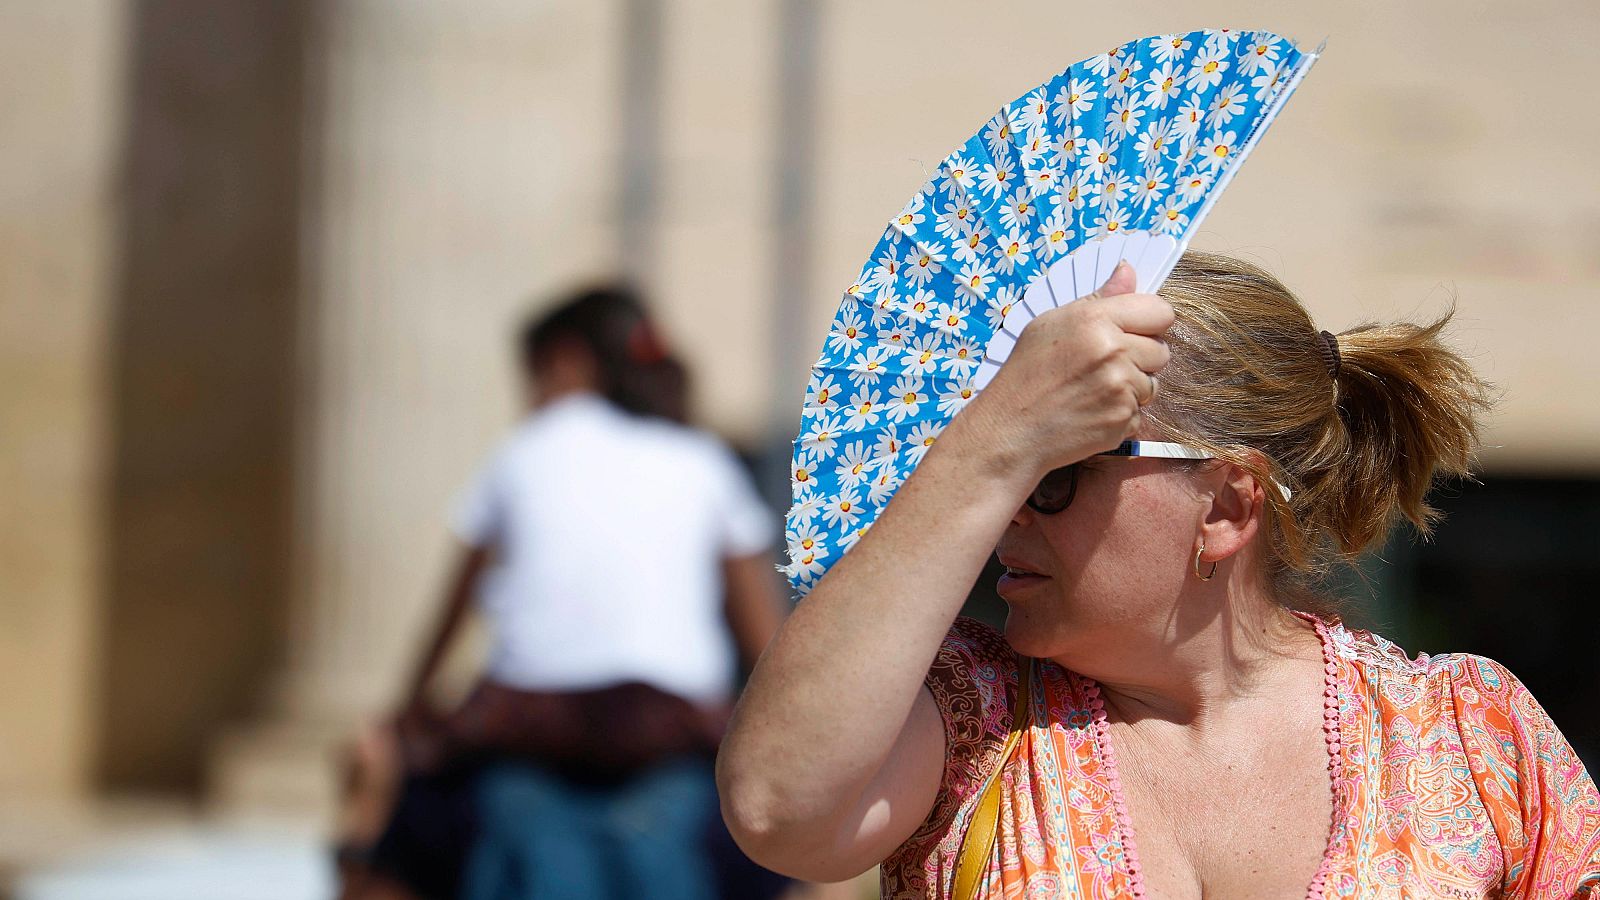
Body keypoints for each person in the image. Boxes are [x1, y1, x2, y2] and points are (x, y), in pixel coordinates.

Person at [717, 252, 1600, 898]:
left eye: (1056, 471)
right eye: (1012, 467)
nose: (1006, 509)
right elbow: (775, 808)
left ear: (1224, 507)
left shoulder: (1471, 735)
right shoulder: (966, 715)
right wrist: (988, 443)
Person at [341, 284, 792, 900]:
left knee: (395, 837)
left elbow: (450, 615)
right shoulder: (704, 460)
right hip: (670, 730)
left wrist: (405, 717)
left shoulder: (523, 452)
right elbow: (765, 636)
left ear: (565, 360)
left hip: (528, 729)